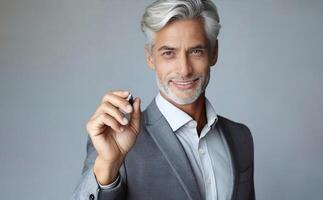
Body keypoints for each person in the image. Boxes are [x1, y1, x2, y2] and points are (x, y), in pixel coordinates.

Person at [72, 0, 255, 199]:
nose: (184, 70)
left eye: (196, 51)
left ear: (214, 52)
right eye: (169, 53)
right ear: (150, 57)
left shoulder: (240, 138)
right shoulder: (117, 138)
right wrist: (108, 165)